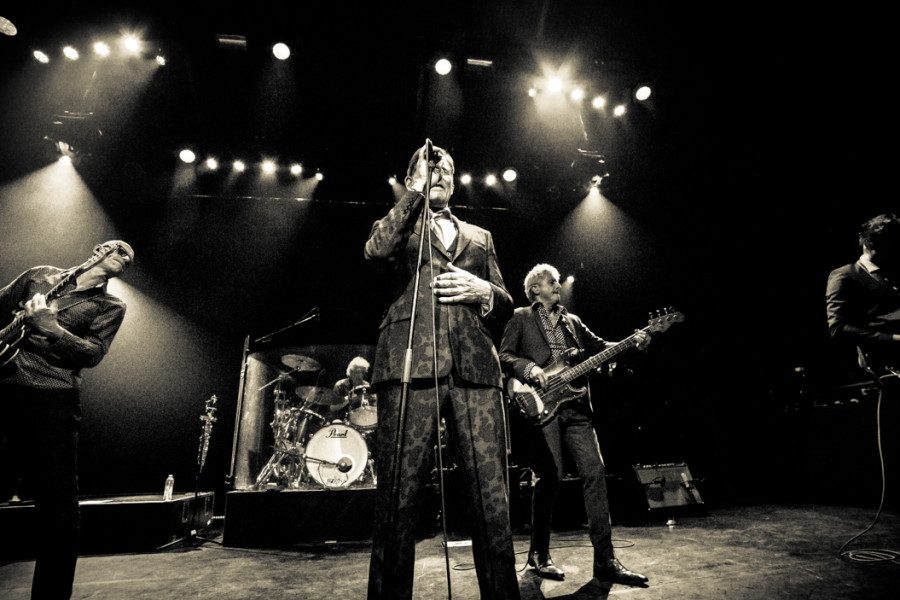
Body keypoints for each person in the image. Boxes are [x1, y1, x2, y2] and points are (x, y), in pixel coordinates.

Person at [364, 143, 519, 599]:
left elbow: (506, 302)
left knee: (492, 500)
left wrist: (484, 290)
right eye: (431, 168)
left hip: (476, 370)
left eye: (447, 169)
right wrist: (413, 192)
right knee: (398, 499)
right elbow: (376, 252)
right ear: (412, 176)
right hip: (409, 366)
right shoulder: (398, 225)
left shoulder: (480, 237)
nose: (440, 173)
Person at [499, 263, 650, 588]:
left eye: (558, 282)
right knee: (551, 477)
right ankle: (539, 555)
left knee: (595, 472)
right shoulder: (521, 317)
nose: (558, 285)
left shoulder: (574, 322)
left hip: (577, 408)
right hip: (543, 405)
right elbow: (505, 356)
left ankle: (606, 560)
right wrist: (529, 370)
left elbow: (602, 348)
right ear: (535, 289)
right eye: (551, 281)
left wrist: (632, 342)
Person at [0, 240, 133, 600]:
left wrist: (53, 329)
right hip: (4, 388)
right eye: (118, 248)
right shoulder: (39, 276)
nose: (123, 254)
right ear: (98, 249)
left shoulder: (110, 306)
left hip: (50, 399)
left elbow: (92, 354)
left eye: (128, 256)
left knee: (58, 509)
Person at [826, 213, 900, 378]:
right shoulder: (844, 275)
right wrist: (893, 338)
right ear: (867, 242)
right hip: (886, 363)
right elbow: (838, 328)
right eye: (886, 242)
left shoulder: (893, 272)